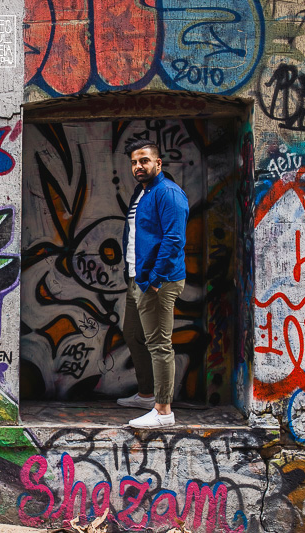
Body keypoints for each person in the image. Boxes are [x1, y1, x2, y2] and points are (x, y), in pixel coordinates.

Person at [116, 139, 189, 429]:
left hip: (158, 281)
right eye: (134, 162)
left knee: (159, 344)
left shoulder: (168, 193)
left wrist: (156, 279)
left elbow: (174, 240)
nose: (138, 166)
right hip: (139, 277)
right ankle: (147, 395)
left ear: (158, 163)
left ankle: (163, 411)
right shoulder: (141, 193)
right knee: (132, 334)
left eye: (144, 160)